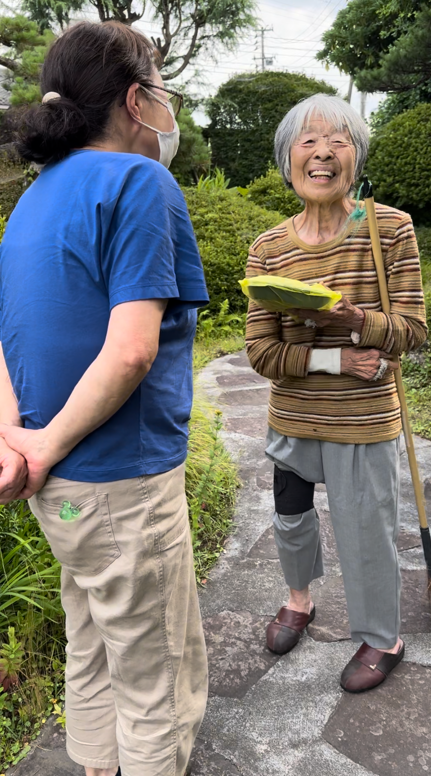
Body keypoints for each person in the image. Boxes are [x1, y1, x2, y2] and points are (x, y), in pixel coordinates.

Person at [0, 21, 209, 776]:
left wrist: (18, 442)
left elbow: (6, 334)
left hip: (57, 490)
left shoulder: (32, 200)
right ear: (133, 99)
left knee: (91, 636)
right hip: (124, 481)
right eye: (161, 89)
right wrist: (45, 442)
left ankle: (95, 765)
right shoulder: (138, 182)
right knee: (156, 675)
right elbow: (131, 349)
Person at [245, 94, 427, 693]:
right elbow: (261, 353)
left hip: (362, 420)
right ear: (287, 159)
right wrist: (338, 357)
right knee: (290, 517)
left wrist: (352, 319)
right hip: (293, 417)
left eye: (338, 140)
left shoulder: (388, 229)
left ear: (356, 156)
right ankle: (299, 600)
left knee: (367, 532)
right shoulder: (269, 248)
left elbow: (413, 331)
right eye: (308, 141)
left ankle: (383, 638)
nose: (322, 152)